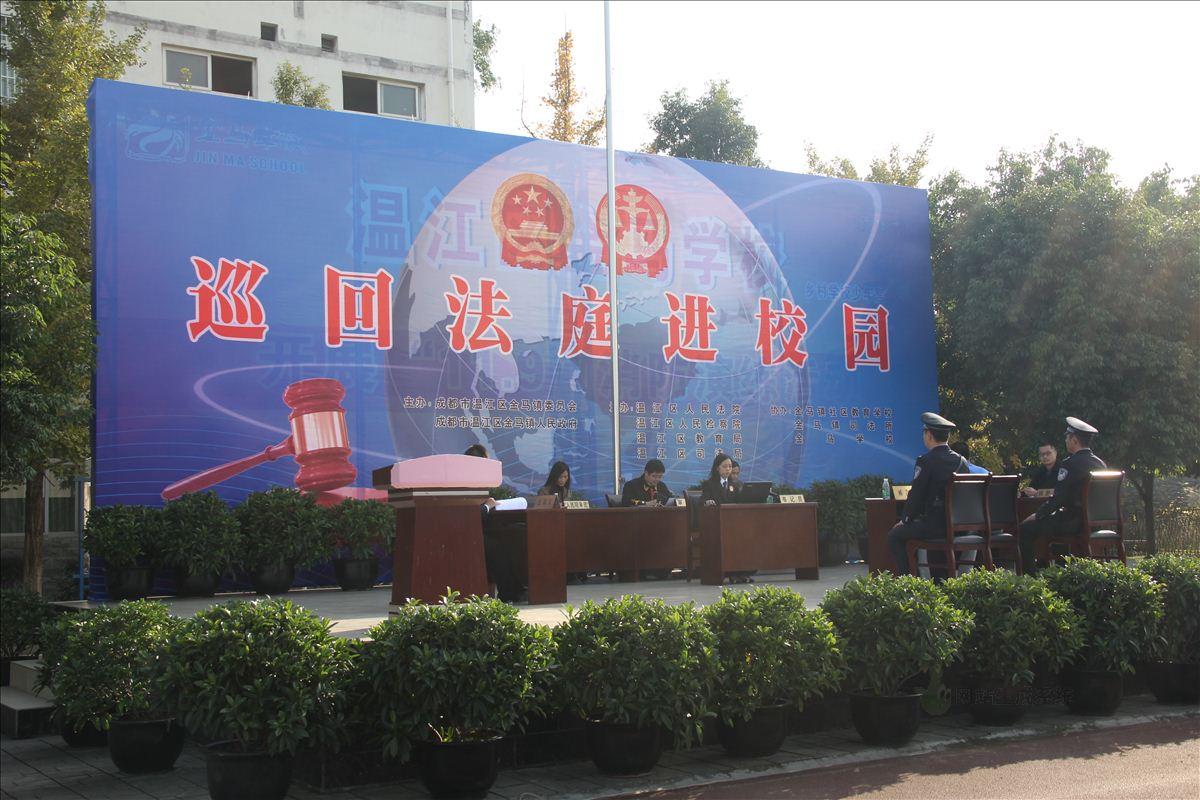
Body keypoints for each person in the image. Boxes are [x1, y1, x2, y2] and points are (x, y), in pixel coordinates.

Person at [886, 412, 970, 577]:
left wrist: (905, 520)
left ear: (929, 435)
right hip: (961, 527)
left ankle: (908, 581)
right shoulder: (962, 462)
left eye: (924, 432)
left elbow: (916, 496)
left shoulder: (926, 461)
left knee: (894, 535)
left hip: (935, 527)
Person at [1018, 418, 1105, 573]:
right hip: (1096, 522)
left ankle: (1029, 579)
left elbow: (1059, 498)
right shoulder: (1101, 464)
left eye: (1067, 438)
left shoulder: (1070, 464)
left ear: (1074, 440)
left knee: (1025, 529)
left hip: (1074, 522)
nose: (1065, 441)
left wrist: (1038, 514)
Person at [464, 445, 522, 602]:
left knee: (511, 541)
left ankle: (517, 590)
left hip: (477, 529)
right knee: (498, 550)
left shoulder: (477, 481)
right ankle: (508, 595)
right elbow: (470, 515)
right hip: (465, 534)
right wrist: (487, 506)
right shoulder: (464, 482)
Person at [699, 454, 754, 583]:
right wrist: (707, 502)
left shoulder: (735, 484)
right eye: (725, 466)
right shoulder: (709, 484)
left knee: (746, 537)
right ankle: (731, 573)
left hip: (733, 524)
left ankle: (742, 572)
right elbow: (702, 501)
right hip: (716, 525)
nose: (728, 469)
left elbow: (739, 501)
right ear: (717, 468)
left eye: (730, 466)